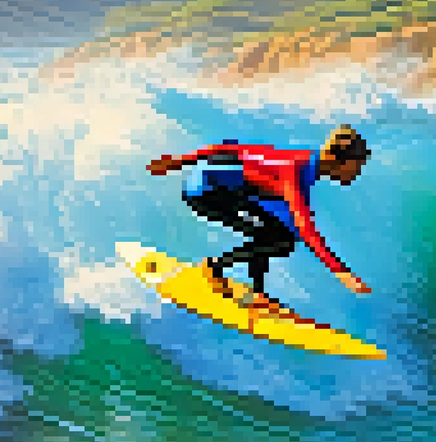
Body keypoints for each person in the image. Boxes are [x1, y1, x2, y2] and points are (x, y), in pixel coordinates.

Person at [146, 124, 373, 310]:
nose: (357, 172)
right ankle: (214, 268)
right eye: (356, 165)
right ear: (338, 160)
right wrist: (340, 271)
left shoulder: (303, 159)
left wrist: (178, 161)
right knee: (279, 239)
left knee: (277, 234)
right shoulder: (294, 173)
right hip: (207, 191)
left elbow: (229, 148)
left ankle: (256, 292)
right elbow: (305, 226)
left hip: (230, 188)